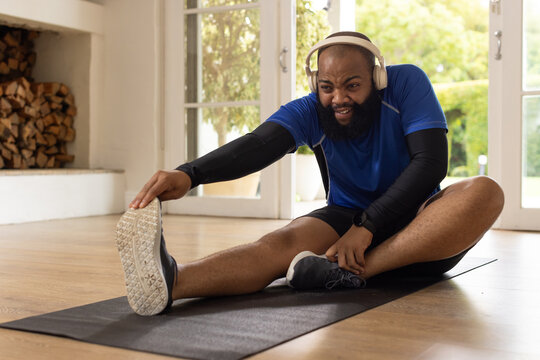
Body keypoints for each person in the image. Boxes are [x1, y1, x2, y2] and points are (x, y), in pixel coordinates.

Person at [116, 31, 504, 316]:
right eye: (327, 87)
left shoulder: (406, 84)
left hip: (419, 225)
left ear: (377, 78)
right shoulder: (308, 110)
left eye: (352, 85)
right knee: (281, 241)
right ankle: (173, 282)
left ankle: (350, 271)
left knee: (485, 191)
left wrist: (368, 226)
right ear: (315, 84)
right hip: (345, 219)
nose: (339, 98)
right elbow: (258, 144)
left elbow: (431, 163)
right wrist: (190, 174)